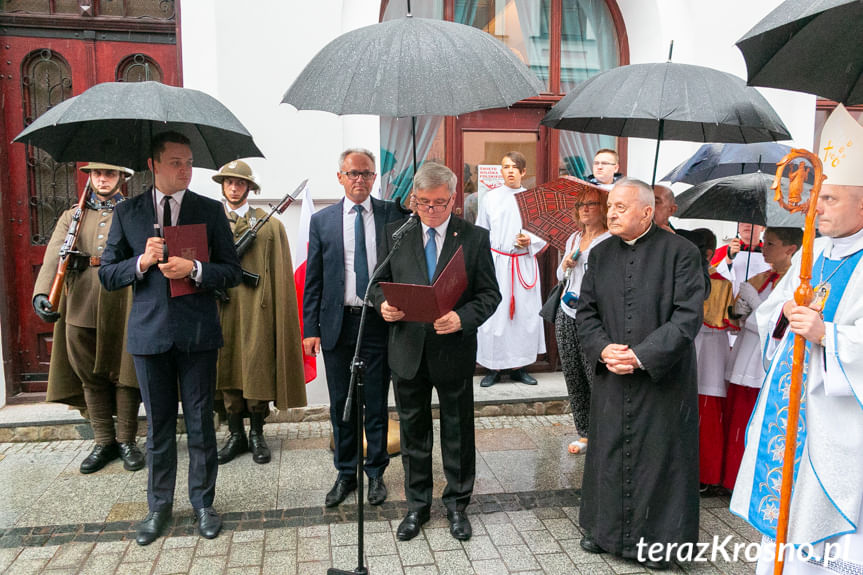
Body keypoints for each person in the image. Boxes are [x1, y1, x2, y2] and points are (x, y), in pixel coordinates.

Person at [730, 104, 863, 575]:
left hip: (837, 421)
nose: (816, 207)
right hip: (789, 414)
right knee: (783, 514)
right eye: (817, 197)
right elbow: (769, 317)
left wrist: (828, 333)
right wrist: (785, 316)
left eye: (830, 199)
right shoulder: (813, 250)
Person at [99, 131, 242, 545]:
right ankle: (159, 506)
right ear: (153, 165)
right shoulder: (128, 212)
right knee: (159, 427)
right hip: (149, 336)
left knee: (200, 423)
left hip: (198, 334)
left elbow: (231, 271)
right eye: (177, 162)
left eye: (189, 162)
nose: (186, 170)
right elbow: (108, 274)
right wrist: (141, 262)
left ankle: (203, 503)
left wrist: (195, 269)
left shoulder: (210, 210)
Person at [576, 178, 705, 570]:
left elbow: (687, 317)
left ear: (647, 212)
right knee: (609, 452)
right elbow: (586, 312)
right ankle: (604, 532)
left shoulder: (682, 253)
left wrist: (641, 356)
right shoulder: (599, 255)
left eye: (620, 207)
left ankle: (659, 546)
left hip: (660, 379)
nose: (610, 212)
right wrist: (603, 348)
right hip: (613, 375)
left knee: (658, 458)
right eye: (610, 206)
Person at [371, 162, 500, 542]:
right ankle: (417, 505)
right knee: (413, 431)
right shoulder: (397, 233)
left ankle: (458, 505)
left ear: (453, 199)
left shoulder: (474, 238)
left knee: (458, 430)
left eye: (439, 204)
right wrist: (383, 305)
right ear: (414, 199)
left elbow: (490, 294)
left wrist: (462, 318)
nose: (430, 211)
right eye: (423, 203)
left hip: (453, 349)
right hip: (407, 349)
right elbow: (378, 283)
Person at [302, 148, 404, 509]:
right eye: (352, 174)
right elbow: (313, 278)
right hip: (337, 323)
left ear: (375, 178)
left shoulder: (393, 214)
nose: (359, 180)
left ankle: (376, 473)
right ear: (340, 177)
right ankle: (346, 472)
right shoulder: (323, 220)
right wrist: (309, 328)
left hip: (377, 322)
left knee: (375, 401)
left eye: (366, 173)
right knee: (341, 403)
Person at [32, 162, 143, 475]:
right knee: (89, 372)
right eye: (96, 174)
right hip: (80, 299)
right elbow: (54, 253)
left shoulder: (134, 212)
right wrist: (42, 294)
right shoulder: (72, 216)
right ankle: (104, 441)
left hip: (123, 299)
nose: (102, 179)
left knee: (126, 372)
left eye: (108, 174)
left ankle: (126, 441)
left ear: (122, 177)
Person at [212, 160, 307, 465]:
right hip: (221, 307)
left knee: (255, 368)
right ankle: (236, 433)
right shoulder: (210, 221)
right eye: (229, 182)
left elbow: (279, 277)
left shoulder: (268, 225)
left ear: (249, 188)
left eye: (240, 183)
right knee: (226, 369)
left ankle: (256, 433)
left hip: (256, 309)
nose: (234, 187)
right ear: (223, 186)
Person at [721, 226, 801, 492]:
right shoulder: (761, 277)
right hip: (744, 353)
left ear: (791, 249)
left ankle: (743, 483)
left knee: (750, 422)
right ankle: (728, 478)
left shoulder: (796, 283)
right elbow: (739, 322)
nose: (764, 248)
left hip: (763, 361)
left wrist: (755, 304)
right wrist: (739, 311)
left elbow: (780, 328)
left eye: (772, 244)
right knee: (734, 419)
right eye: (765, 243)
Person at [475, 151, 546, 387]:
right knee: (496, 316)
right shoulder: (490, 198)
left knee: (523, 316)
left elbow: (543, 235)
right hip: (497, 263)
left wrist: (530, 242)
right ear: (501, 170)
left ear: (523, 172)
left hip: (522, 263)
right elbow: (481, 232)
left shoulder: (533, 199)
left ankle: (520, 367)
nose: (510, 171)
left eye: (515, 167)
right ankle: (493, 367)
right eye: (506, 166)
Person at [679, 228, 737, 493]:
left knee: (708, 408)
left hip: (710, 349)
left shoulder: (721, 284)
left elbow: (731, 322)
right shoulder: (685, 279)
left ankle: (707, 472)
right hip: (691, 345)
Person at [554, 184, 610, 455]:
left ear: (604, 209)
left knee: (593, 373)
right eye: (580, 205)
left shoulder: (610, 240)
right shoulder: (574, 239)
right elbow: (560, 277)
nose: (585, 209)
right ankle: (585, 432)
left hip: (592, 315)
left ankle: (603, 430)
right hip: (566, 310)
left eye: (591, 204)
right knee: (573, 373)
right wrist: (565, 266)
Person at [711, 222, 771, 295]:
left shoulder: (773, 254)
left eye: (752, 222)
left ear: (763, 227)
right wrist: (728, 259)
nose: (747, 225)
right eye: (742, 221)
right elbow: (715, 283)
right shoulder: (722, 252)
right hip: (732, 301)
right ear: (738, 228)